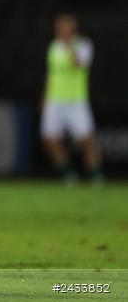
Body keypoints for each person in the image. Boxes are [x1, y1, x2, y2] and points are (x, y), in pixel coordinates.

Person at [40, 13, 103, 184]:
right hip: (55, 100)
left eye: (65, 27)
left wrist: (69, 46)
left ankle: (95, 175)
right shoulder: (53, 46)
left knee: (86, 140)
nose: (61, 31)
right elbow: (51, 73)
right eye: (59, 28)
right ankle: (69, 174)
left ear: (73, 29)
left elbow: (78, 64)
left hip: (76, 100)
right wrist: (44, 96)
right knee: (49, 139)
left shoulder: (83, 45)